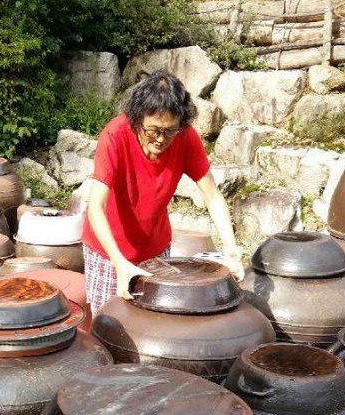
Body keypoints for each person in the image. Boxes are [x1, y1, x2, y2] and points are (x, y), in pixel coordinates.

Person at [82, 69, 244, 316]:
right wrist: (120, 263)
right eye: (153, 130)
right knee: (108, 324)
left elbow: (212, 195)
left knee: (156, 321)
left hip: (156, 248)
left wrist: (231, 249)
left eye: (170, 131)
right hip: (108, 251)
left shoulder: (186, 138)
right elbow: (95, 207)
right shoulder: (115, 135)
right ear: (137, 119)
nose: (161, 139)